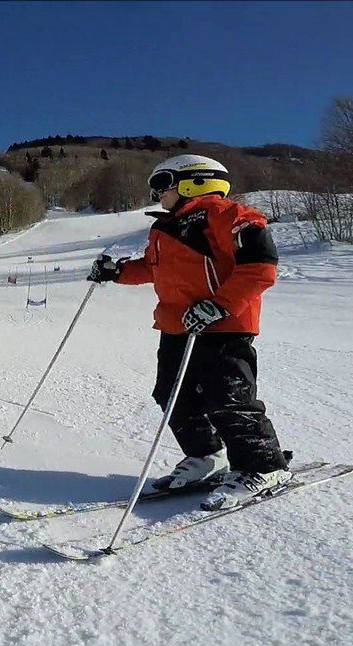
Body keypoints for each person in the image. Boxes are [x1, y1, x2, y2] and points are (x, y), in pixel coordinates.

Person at [87, 154, 290, 511]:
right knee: (171, 395)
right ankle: (206, 457)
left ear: (196, 181)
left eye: (162, 183)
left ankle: (263, 465)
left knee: (227, 397)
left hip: (223, 325)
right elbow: (152, 270)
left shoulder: (227, 215)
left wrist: (220, 304)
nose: (156, 193)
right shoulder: (163, 229)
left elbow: (260, 266)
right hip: (177, 326)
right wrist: (115, 272)